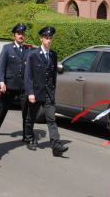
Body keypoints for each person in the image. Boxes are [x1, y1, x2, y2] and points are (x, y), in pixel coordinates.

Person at [24, 26, 68, 157]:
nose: (48, 40)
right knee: (30, 118)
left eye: (50, 38)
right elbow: (28, 75)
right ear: (41, 39)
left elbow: (53, 75)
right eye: (46, 38)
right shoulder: (33, 54)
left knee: (51, 119)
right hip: (36, 92)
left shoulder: (53, 54)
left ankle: (56, 145)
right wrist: (30, 92)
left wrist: (53, 90)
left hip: (48, 93)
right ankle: (29, 138)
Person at [0, 23, 29, 140]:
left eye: (23, 34)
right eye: (19, 34)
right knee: (2, 107)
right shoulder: (7, 48)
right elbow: (1, 66)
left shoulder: (27, 50)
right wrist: (1, 82)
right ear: (14, 35)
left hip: (23, 86)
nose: (21, 36)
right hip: (9, 85)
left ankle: (26, 134)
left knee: (26, 111)